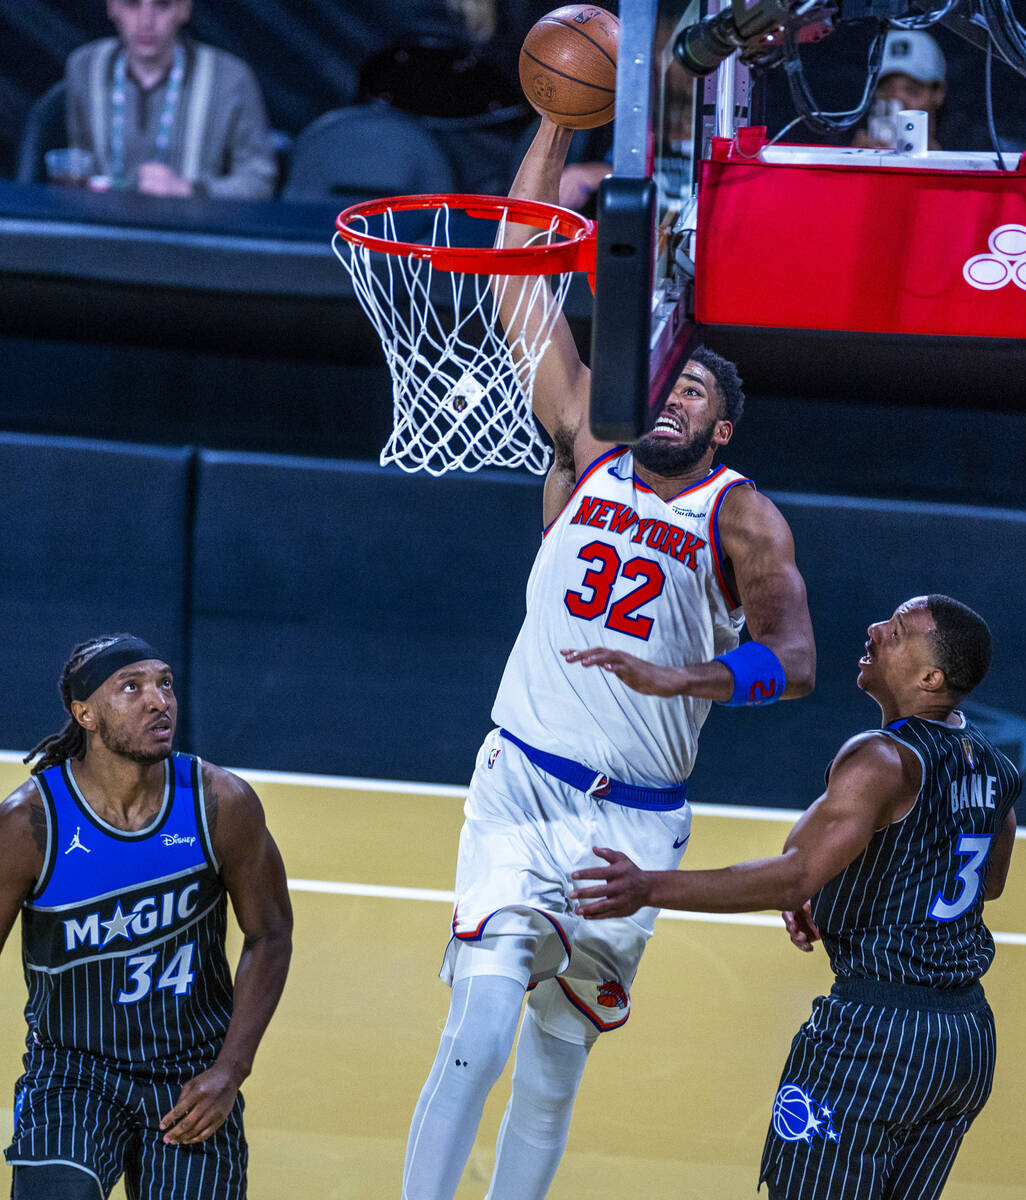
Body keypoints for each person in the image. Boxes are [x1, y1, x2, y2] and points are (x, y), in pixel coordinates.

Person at [401, 114, 816, 1200]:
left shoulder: (744, 520)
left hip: (633, 818)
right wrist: (552, 116)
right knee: (478, 1023)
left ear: (721, 431)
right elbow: (514, 272)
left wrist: (694, 677)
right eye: (669, 385)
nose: (671, 400)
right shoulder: (590, 440)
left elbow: (798, 659)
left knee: (550, 1064)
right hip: (522, 783)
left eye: (695, 398)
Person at [570, 594, 1021, 1200]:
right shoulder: (994, 768)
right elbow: (986, 882)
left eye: (899, 628)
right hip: (963, 1045)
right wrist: (841, 887)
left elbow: (793, 875)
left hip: (876, 1036)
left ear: (930, 677)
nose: (875, 627)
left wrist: (649, 886)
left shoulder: (880, 758)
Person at [1, 634, 293, 1199]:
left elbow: (270, 934)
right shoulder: (29, 825)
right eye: (130, 688)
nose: (158, 701)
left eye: (164, 683)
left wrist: (230, 1071)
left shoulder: (220, 803)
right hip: (72, 1073)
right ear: (83, 714)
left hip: (191, 1076)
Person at [64, 0, 276, 198]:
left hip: (194, 228)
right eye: (132, 4)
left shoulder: (230, 77)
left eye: (162, 4)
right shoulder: (85, 67)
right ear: (112, 6)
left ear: (184, 9)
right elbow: (79, 160)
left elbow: (260, 180)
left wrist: (192, 190)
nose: (146, 22)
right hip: (104, 227)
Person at [853, 29, 947, 150]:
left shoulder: (965, 153)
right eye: (887, 90)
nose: (897, 100)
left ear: (938, 93)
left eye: (912, 90)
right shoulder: (852, 147)